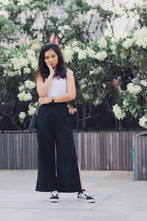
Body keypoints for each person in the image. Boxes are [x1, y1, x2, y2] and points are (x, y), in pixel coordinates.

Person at [34, 43, 95, 203]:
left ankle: (80, 190)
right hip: (45, 115)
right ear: (43, 59)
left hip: (61, 113)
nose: (50, 59)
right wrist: (51, 73)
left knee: (68, 151)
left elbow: (71, 95)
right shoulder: (41, 73)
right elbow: (40, 92)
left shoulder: (68, 72)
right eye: (47, 57)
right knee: (46, 152)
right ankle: (53, 190)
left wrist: (52, 99)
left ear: (58, 56)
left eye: (53, 56)